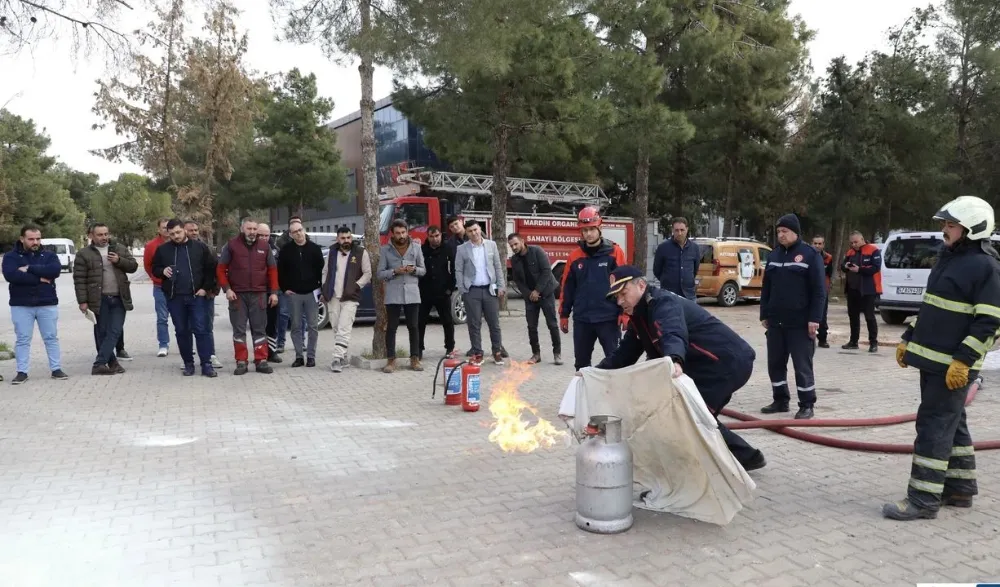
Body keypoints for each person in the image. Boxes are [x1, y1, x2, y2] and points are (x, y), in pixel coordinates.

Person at [885, 196, 999, 521]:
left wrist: (963, 361)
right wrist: (909, 338)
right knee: (953, 423)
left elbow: (990, 322)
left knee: (933, 426)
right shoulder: (948, 259)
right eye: (944, 224)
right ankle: (960, 489)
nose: (943, 230)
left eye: (950, 225)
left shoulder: (986, 267)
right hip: (934, 362)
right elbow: (933, 307)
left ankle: (922, 499)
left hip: (952, 366)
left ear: (972, 229)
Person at [594, 266, 767, 471]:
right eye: (617, 297)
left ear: (641, 285)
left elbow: (672, 332)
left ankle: (732, 462)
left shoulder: (662, 303)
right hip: (704, 365)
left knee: (691, 416)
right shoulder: (639, 317)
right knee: (694, 417)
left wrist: (674, 359)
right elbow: (624, 355)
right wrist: (595, 373)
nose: (620, 301)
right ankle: (740, 457)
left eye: (623, 294)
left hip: (725, 363)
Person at [759, 213, 826, 420]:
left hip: (800, 323)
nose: (780, 235)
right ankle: (780, 400)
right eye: (778, 231)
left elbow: (819, 291)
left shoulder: (810, 255)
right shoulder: (774, 255)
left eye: (784, 231)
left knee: (802, 366)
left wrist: (815, 319)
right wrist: (764, 313)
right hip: (776, 322)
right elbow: (766, 288)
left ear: (795, 232)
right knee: (775, 363)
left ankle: (807, 404)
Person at [559, 206, 626, 370]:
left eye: (591, 229)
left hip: (608, 319)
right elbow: (567, 288)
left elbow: (624, 285)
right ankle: (584, 395)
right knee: (581, 366)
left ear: (599, 228)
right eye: (584, 230)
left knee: (615, 362)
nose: (588, 234)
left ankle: (614, 395)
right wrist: (564, 315)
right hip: (583, 319)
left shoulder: (615, 252)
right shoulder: (575, 257)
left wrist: (625, 313)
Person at [151, 219, 219, 377]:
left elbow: (211, 269)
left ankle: (206, 364)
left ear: (184, 230)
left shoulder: (200, 247)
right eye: (172, 233)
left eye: (178, 232)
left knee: (201, 330)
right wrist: (162, 271)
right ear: (168, 234)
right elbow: (154, 268)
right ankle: (188, 363)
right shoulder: (163, 250)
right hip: (175, 298)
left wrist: (205, 288)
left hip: (197, 296)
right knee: (182, 331)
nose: (176, 236)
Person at [2, 225, 68, 384]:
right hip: (21, 304)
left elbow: (54, 271)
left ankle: (56, 369)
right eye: (31, 239)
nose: (35, 242)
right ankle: (22, 371)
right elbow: (12, 275)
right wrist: (39, 279)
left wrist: (30, 268)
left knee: (51, 337)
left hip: (47, 302)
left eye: (38, 238)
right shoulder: (11, 257)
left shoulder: (49, 255)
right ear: (22, 239)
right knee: (23, 339)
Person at [217, 218, 279, 375]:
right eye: (249, 228)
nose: (252, 232)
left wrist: (273, 292)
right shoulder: (231, 246)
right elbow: (220, 269)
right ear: (242, 229)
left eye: (254, 229)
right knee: (239, 331)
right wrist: (227, 289)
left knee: (259, 329)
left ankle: (261, 361)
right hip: (237, 296)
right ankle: (241, 362)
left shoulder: (265, 247)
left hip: (259, 295)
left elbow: (272, 270)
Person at [73, 223, 138, 375]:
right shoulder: (84, 254)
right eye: (100, 235)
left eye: (106, 234)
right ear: (91, 236)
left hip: (119, 297)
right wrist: (82, 301)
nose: (104, 238)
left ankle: (99, 364)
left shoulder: (119, 248)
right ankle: (113, 363)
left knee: (114, 331)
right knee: (102, 332)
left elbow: (133, 266)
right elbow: (79, 279)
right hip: (98, 299)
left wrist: (119, 260)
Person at [455, 220, 507, 366]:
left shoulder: (492, 245)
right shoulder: (462, 249)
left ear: (480, 229)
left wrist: (501, 286)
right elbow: (458, 270)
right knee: (474, 324)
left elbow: (498, 266)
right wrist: (462, 289)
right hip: (472, 291)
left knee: (494, 323)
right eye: (470, 231)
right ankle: (477, 353)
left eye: (476, 229)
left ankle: (497, 352)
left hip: (490, 290)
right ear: (466, 233)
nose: (474, 233)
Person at [377, 220, 426, 373]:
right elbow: (379, 274)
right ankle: (391, 360)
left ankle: (415, 359)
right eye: (398, 233)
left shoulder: (416, 248)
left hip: (412, 293)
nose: (401, 236)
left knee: (413, 326)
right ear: (393, 234)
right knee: (391, 327)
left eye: (403, 232)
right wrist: (394, 271)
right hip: (393, 293)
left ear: (407, 232)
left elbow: (423, 270)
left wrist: (413, 270)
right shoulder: (385, 250)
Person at [321, 226, 371, 373]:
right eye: (343, 238)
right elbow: (325, 271)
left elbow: (368, 273)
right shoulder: (331, 252)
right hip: (333, 296)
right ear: (338, 239)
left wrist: (357, 286)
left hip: (351, 297)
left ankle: (336, 359)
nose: (346, 240)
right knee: (336, 328)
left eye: (348, 237)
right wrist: (325, 287)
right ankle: (344, 357)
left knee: (344, 328)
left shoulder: (361, 252)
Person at [508, 233, 562, 365]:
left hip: (546, 293)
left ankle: (557, 354)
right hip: (530, 297)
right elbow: (518, 280)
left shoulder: (537, 251)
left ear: (522, 241)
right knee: (531, 326)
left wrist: (537, 290)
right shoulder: (514, 260)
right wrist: (529, 294)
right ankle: (536, 354)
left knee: (552, 324)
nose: (514, 247)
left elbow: (546, 271)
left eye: (515, 244)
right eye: (511, 246)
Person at [278, 220, 325, 367]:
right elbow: (280, 272)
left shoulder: (315, 249)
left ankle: (311, 356)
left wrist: (321, 289)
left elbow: (322, 271)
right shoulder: (286, 250)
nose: (298, 233)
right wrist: (285, 288)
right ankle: (299, 356)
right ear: (291, 235)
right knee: (296, 326)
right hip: (294, 294)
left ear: (303, 230)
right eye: (295, 232)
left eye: (300, 230)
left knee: (313, 326)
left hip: (312, 293)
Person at [183, 220, 222, 369]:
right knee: (187, 327)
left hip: (206, 295)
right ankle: (188, 356)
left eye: (196, 230)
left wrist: (213, 291)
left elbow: (216, 270)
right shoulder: (179, 249)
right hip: (185, 296)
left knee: (206, 326)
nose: (194, 232)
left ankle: (210, 355)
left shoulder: (207, 248)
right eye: (190, 230)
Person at [418, 225, 457, 360]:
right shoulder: (422, 250)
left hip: (443, 291)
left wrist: (450, 289)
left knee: (447, 321)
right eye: (431, 236)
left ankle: (450, 347)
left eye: (437, 236)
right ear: (427, 237)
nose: (434, 239)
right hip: (425, 292)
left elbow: (454, 270)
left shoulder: (448, 249)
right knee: (420, 322)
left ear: (441, 235)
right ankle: (418, 349)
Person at [841, 231, 883, 352]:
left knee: (869, 316)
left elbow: (875, 267)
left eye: (856, 242)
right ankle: (853, 341)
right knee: (853, 316)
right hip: (852, 289)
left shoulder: (873, 250)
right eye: (852, 242)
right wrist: (846, 266)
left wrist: (859, 269)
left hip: (868, 289)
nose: (854, 244)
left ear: (862, 239)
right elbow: (843, 266)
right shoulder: (850, 252)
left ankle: (873, 343)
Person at [652, 216, 700, 300]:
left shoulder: (694, 248)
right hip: (668, 295)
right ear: (672, 230)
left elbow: (695, 270)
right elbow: (657, 271)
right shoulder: (663, 248)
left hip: (689, 295)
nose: (679, 233)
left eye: (682, 230)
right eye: (677, 230)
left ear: (687, 229)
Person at [144, 217, 172, 357]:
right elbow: (148, 266)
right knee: (162, 318)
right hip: (160, 287)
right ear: (158, 229)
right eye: (164, 228)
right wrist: (156, 279)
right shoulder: (151, 245)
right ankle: (163, 344)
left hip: (179, 288)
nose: (166, 230)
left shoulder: (179, 242)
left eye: (169, 227)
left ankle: (186, 344)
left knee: (183, 318)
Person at [257, 223, 284, 364]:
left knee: (272, 323)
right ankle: (260, 352)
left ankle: (272, 352)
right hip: (255, 292)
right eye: (260, 235)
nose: (263, 238)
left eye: (266, 235)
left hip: (272, 292)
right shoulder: (250, 249)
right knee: (258, 325)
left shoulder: (275, 250)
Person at [812, 235, 834, 348]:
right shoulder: (807, 256)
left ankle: (822, 339)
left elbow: (829, 275)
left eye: (819, 243)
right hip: (809, 290)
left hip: (822, 291)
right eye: (815, 243)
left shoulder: (828, 258)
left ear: (823, 245)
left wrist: (827, 288)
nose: (817, 245)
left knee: (822, 316)